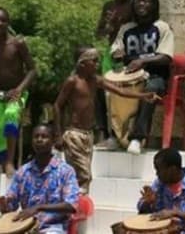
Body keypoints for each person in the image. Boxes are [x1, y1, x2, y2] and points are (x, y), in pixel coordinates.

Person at [54, 46, 160, 193]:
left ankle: (75, 207)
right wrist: (58, 135)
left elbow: (120, 91)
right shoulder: (73, 81)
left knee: (81, 177)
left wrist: (143, 96)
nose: (97, 65)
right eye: (94, 61)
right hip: (74, 134)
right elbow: (57, 106)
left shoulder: (95, 80)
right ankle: (74, 206)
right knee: (83, 176)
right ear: (82, 64)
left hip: (87, 135)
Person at [110, 0, 174, 155]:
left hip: (155, 76)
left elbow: (166, 57)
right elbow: (116, 51)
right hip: (129, 75)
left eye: (145, 1)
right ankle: (112, 134)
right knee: (105, 86)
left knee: (150, 90)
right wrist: (117, 54)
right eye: (138, 0)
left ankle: (137, 138)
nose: (141, 4)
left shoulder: (162, 27)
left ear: (153, 5)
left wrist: (142, 61)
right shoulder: (126, 28)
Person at [0, 7, 37, 175]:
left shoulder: (18, 44)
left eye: (3, 20)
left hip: (17, 93)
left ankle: (10, 162)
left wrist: (19, 90)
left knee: (11, 117)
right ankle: (3, 164)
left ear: (8, 23)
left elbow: (33, 70)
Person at [0, 123, 79, 234]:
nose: (39, 139)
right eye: (36, 137)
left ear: (53, 141)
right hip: (24, 226)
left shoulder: (65, 171)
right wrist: (4, 205)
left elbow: (71, 205)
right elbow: (12, 206)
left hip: (52, 227)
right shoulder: (23, 171)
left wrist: (39, 208)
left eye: (44, 137)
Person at [112, 147, 185, 234]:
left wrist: (175, 213)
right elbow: (143, 210)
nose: (157, 174)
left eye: (159, 170)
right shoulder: (159, 183)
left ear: (172, 169)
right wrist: (148, 203)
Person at [94, 0, 132, 149]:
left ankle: (124, 135)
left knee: (122, 96)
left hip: (126, 55)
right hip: (110, 55)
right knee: (105, 94)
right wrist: (109, 25)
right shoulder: (108, 6)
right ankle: (106, 134)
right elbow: (99, 34)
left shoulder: (132, 7)